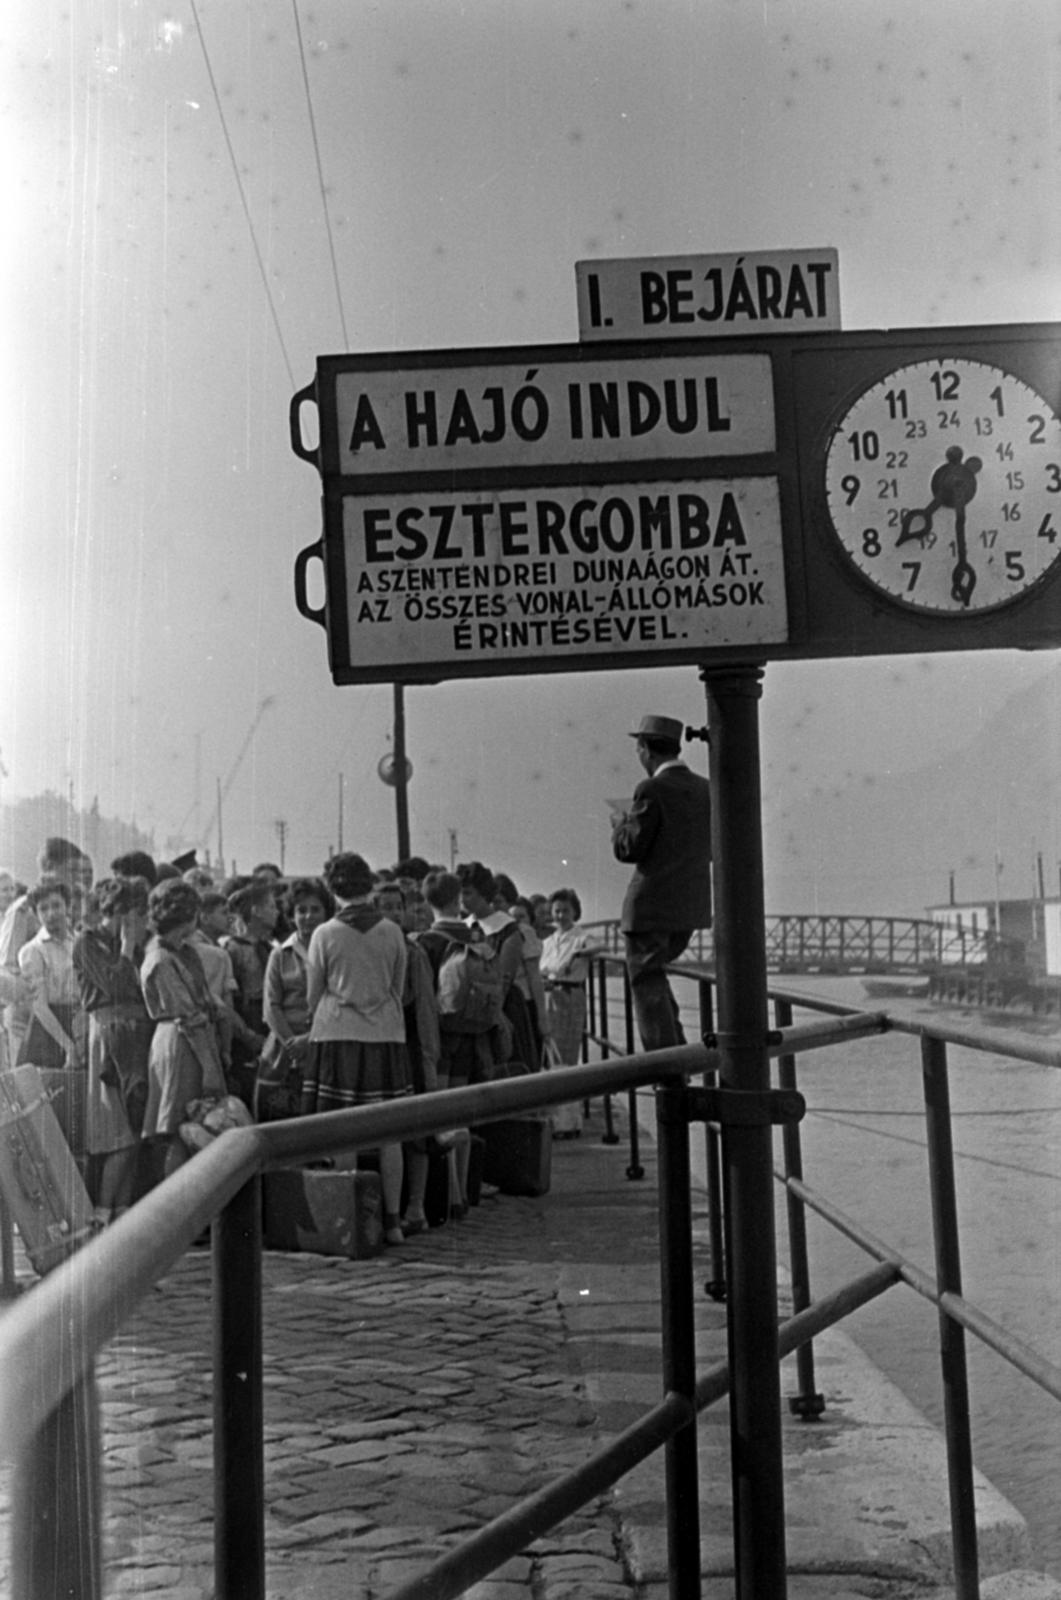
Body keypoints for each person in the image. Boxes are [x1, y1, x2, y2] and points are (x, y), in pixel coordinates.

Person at [303, 853, 412, 1246]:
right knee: (390, 1131)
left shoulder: (324, 934)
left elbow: (313, 994)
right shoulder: (393, 932)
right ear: (368, 885)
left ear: (333, 889)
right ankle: (394, 1222)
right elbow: (398, 989)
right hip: (386, 1035)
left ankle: (348, 1221)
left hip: (337, 1034)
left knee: (344, 1130)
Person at [612, 714, 712, 1052]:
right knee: (657, 979)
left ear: (645, 750)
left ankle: (666, 1067)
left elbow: (630, 850)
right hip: (688, 909)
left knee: (646, 982)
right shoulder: (705, 788)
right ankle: (678, 1052)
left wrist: (620, 825)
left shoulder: (650, 789)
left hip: (649, 909)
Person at [72, 875, 155, 1215]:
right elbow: (114, 986)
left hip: (135, 1034)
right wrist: (125, 947)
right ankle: (103, 1215)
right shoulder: (87, 943)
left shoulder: (141, 944)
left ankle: (122, 1213)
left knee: (136, 1136)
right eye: (138, 913)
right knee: (118, 1138)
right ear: (122, 913)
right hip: (108, 1035)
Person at [140, 879, 227, 1182]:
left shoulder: (183, 951)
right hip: (181, 1042)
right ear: (189, 916)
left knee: (191, 1125)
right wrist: (211, 1069)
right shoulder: (162, 958)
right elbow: (187, 1018)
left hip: (190, 1038)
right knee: (181, 1127)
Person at [1, 838, 92, 1056]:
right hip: (28, 1017)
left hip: (65, 1015)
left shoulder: (71, 903)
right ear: (50, 869)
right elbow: (6, 967)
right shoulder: (22, 911)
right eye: (71, 869)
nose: (77, 876)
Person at [256, 877, 333, 1122]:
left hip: (324, 1045)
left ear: (326, 913)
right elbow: (271, 1006)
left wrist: (310, 1041)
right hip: (283, 1050)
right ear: (292, 914)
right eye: (301, 910)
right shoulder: (280, 954)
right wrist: (293, 1044)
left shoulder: (335, 950)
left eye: (315, 909)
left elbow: (338, 1001)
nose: (308, 916)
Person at [457, 861, 538, 1073]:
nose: (462, 900)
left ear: (484, 893)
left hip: (501, 1008)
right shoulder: (462, 926)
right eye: (460, 894)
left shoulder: (507, 928)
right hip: (468, 1009)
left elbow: (504, 978)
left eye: (467, 893)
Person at [16, 880, 85, 1070]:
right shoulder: (33, 950)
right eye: (43, 909)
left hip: (80, 1023)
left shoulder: (80, 942)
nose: (51, 913)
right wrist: (69, 1047)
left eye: (56, 905)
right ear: (36, 914)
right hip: (48, 1032)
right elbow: (39, 1006)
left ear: (67, 906)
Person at [223, 876, 280, 1104]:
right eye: (272, 906)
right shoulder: (233, 949)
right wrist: (250, 1038)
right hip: (248, 1036)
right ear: (256, 911)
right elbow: (228, 1002)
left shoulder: (269, 947)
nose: (277, 912)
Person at [539, 887, 607, 1067]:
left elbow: (600, 947)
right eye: (557, 911)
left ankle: (564, 1090)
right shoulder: (548, 941)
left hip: (569, 996)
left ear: (575, 912)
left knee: (565, 1052)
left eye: (565, 911)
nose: (560, 916)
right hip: (547, 995)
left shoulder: (581, 936)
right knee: (547, 1050)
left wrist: (577, 954)